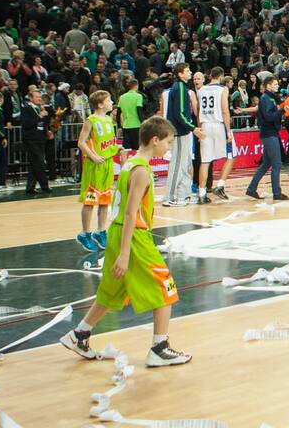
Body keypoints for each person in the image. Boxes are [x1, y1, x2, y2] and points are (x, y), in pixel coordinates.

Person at [60, 116, 192, 367]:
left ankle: (80, 334)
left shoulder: (131, 163)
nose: (169, 147)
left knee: (113, 291)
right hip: (133, 236)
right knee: (165, 288)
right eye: (168, 142)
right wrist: (124, 253)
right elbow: (131, 212)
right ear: (155, 140)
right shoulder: (142, 170)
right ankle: (159, 348)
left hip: (117, 232)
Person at [75, 90, 125, 252]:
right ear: (100, 104)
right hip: (94, 166)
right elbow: (81, 143)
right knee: (90, 202)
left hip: (108, 164)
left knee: (104, 201)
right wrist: (93, 156)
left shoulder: (110, 119)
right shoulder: (91, 120)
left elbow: (108, 141)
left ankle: (101, 231)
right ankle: (85, 233)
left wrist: (117, 148)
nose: (112, 102)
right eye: (109, 100)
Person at [242, 74, 289, 201]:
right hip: (269, 134)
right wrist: (281, 111)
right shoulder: (266, 98)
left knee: (266, 164)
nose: (277, 86)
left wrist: (281, 110)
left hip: (269, 133)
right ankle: (277, 193)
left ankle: (251, 189)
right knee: (277, 164)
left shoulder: (270, 98)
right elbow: (269, 116)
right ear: (268, 86)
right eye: (275, 84)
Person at [163, 64, 203, 207]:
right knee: (177, 165)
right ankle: (170, 197)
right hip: (179, 132)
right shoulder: (179, 88)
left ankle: (184, 194)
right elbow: (179, 113)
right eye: (187, 71)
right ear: (180, 74)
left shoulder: (181, 87)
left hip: (183, 132)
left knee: (186, 164)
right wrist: (193, 128)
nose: (190, 72)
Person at [196, 67, 234, 203]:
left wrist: (199, 129)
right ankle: (220, 185)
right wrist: (228, 131)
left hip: (205, 126)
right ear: (221, 76)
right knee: (231, 155)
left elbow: (198, 110)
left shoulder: (201, 90)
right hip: (218, 125)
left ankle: (201, 194)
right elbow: (224, 110)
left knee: (205, 161)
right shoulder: (222, 89)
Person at [20, 88, 51, 195]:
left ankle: (30, 187)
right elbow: (26, 123)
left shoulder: (39, 108)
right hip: (31, 139)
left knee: (35, 164)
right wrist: (39, 117)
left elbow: (42, 124)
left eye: (39, 97)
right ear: (31, 98)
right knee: (39, 162)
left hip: (40, 139)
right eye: (37, 97)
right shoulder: (26, 108)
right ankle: (45, 186)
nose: (39, 99)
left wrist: (47, 131)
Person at [116, 78, 144, 150]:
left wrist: (119, 126)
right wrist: (143, 122)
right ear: (136, 86)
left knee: (126, 149)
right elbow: (139, 110)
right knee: (137, 148)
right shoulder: (138, 96)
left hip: (125, 126)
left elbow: (118, 112)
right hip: (136, 125)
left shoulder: (122, 97)